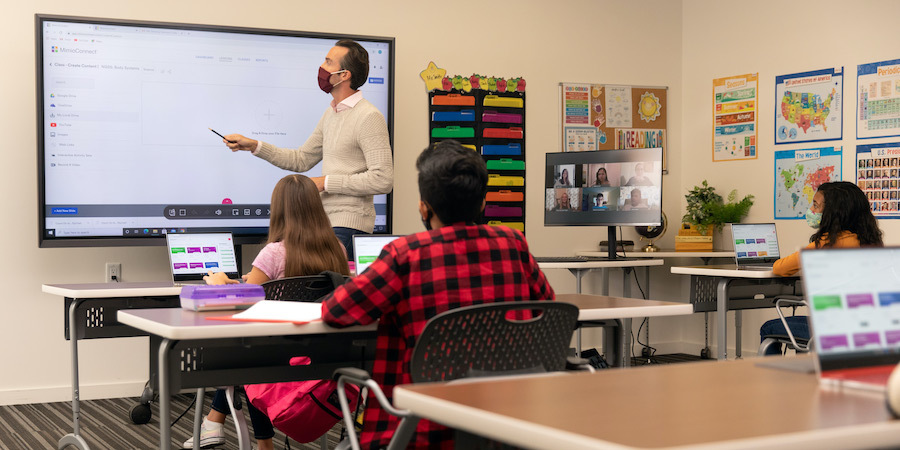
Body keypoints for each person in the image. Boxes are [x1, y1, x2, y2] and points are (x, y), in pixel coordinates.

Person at [321, 140, 554, 450]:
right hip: (508, 425)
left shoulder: (405, 255)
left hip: (422, 429)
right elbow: (548, 308)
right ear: (482, 204)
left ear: (424, 207)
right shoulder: (513, 244)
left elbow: (335, 311)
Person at [183, 174, 350, 449]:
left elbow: (246, 302)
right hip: (322, 355)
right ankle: (215, 424)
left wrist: (219, 283)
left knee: (244, 357)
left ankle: (248, 437)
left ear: (279, 210)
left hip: (277, 357)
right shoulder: (337, 249)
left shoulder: (272, 253)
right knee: (249, 357)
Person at [221, 40, 393, 260]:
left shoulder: (369, 117)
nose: (322, 67)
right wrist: (255, 146)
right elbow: (302, 159)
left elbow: (383, 179)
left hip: (349, 228)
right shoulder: (332, 114)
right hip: (325, 224)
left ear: (344, 75)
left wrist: (324, 182)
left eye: (328, 62)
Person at [760, 181, 883, 355]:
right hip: (867, 330)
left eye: (816, 206)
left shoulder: (827, 243)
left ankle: (772, 382)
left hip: (833, 330)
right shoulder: (871, 243)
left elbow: (780, 268)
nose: (811, 210)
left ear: (833, 213)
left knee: (768, 328)